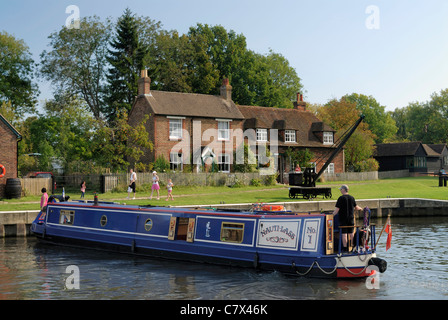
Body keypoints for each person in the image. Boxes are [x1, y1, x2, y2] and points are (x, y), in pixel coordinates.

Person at [332, 184, 362, 252]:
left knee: (344, 234)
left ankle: (345, 248)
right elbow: (356, 207)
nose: (340, 191)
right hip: (351, 219)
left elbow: (337, 210)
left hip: (343, 219)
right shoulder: (352, 198)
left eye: (341, 189)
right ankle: (353, 247)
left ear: (343, 190)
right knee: (351, 233)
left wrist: (331, 215)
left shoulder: (341, 198)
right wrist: (361, 209)